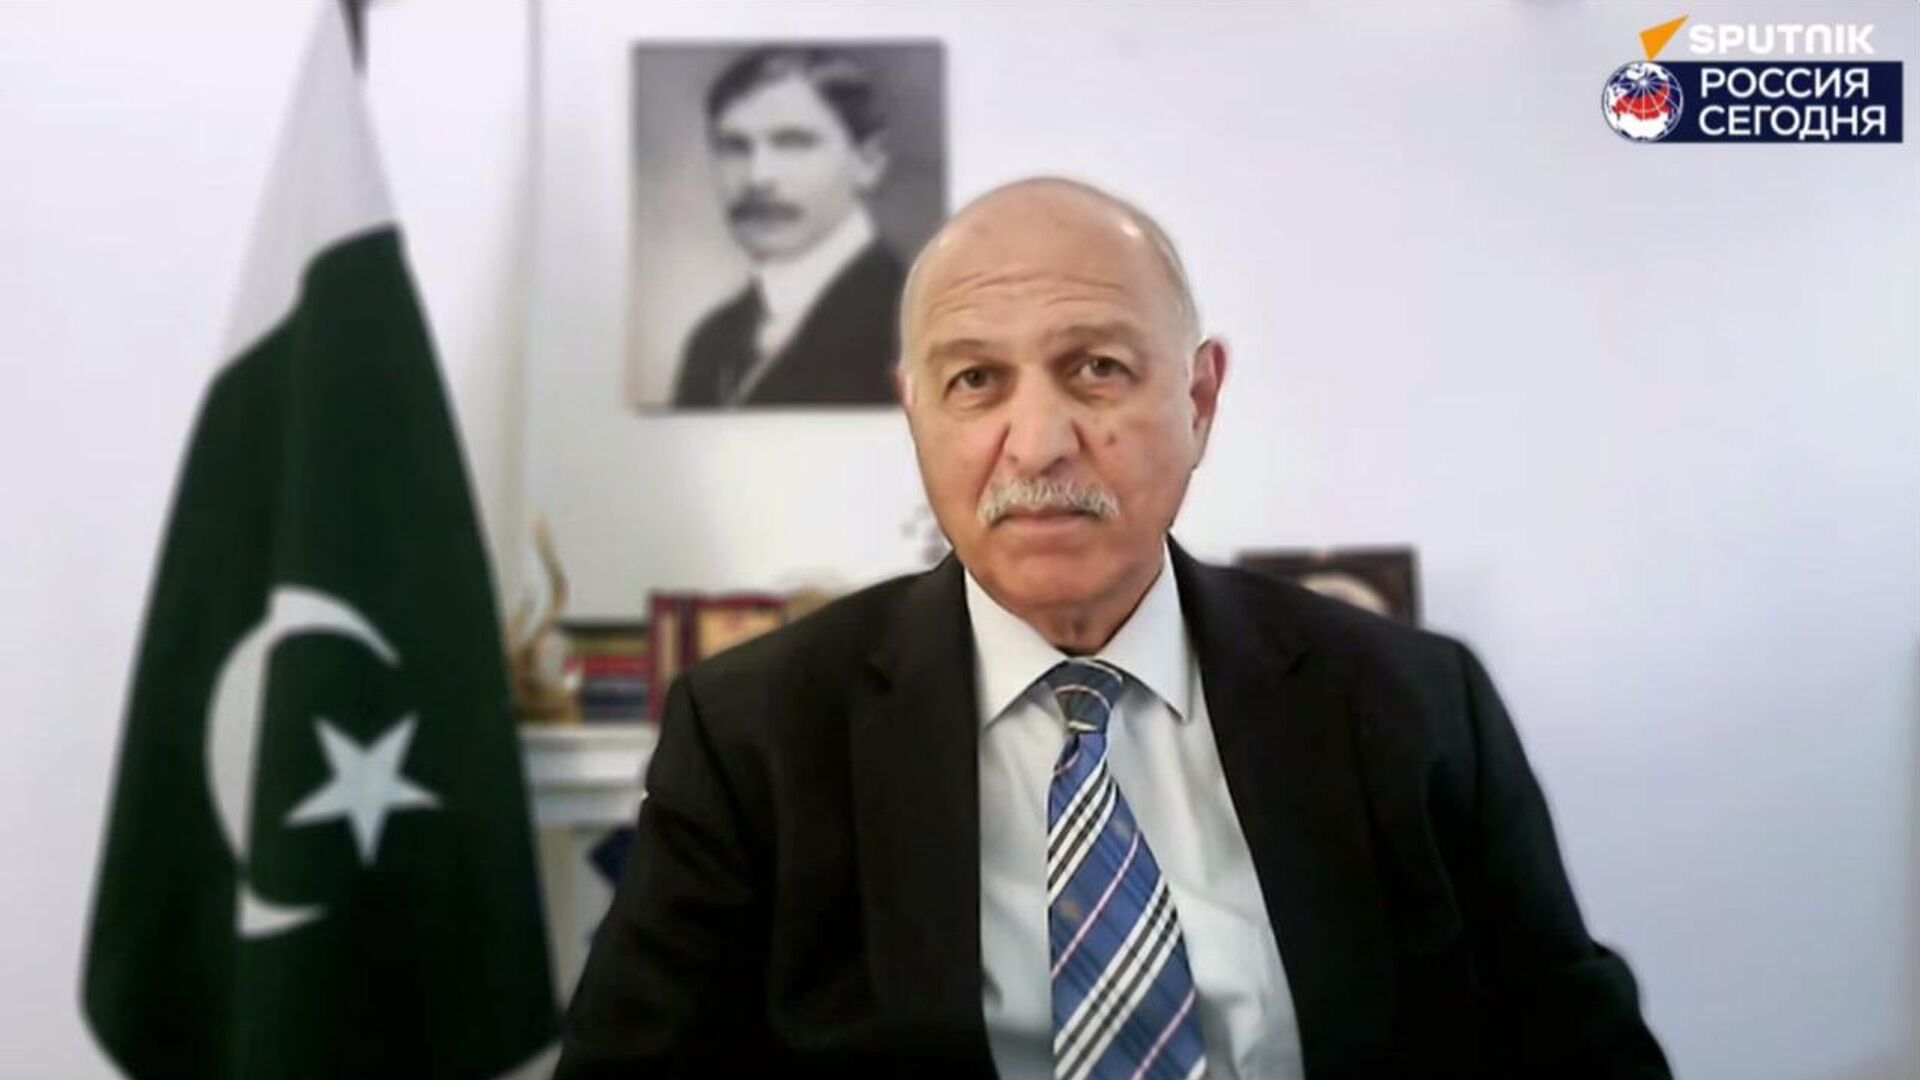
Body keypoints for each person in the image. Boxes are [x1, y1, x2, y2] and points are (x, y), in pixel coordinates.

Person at [560, 178, 1672, 1078]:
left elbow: (1579, 1052)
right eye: (976, 380)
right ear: (917, 413)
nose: (1038, 442)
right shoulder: (757, 732)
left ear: (1200, 399)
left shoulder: (1411, 702)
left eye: (1095, 369)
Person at [669, 47, 903, 408]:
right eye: (734, 147)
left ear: (867, 161)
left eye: (793, 144)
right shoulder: (710, 343)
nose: (758, 177)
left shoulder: (912, 322)